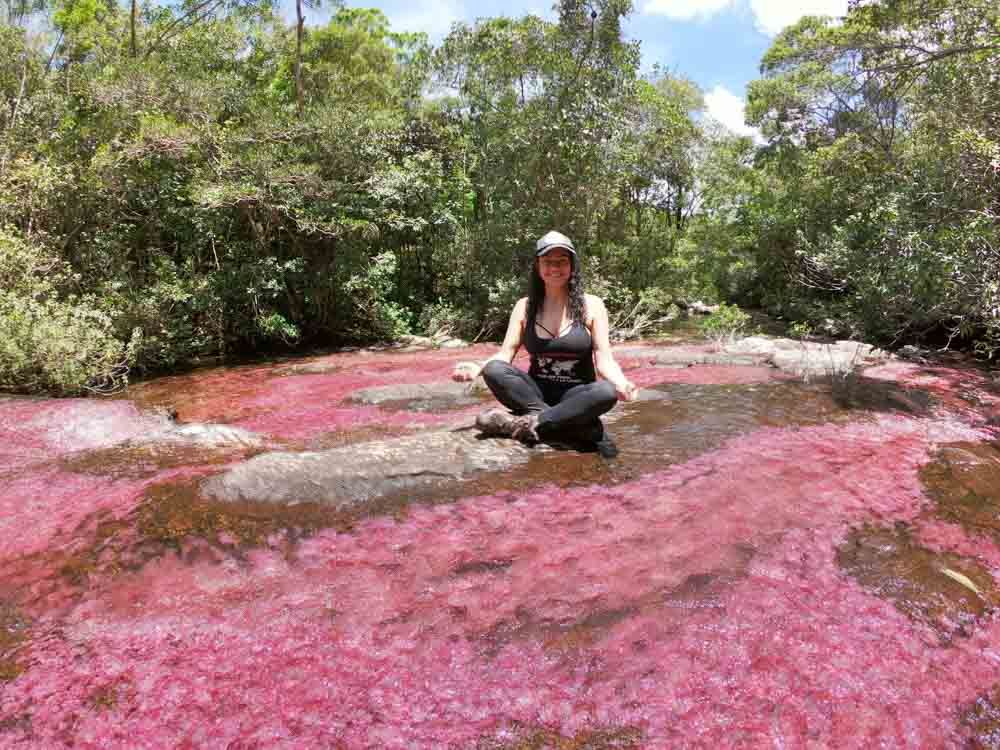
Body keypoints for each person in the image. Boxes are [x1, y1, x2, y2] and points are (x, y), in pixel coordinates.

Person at [452, 230, 639, 457]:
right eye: (547, 262)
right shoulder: (524, 306)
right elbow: (505, 354)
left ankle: (526, 424)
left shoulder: (593, 305)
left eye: (561, 261)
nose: (554, 268)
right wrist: (478, 367)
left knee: (606, 391)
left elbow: (604, 360)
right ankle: (567, 422)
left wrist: (621, 382)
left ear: (572, 266)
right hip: (535, 395)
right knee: (494, 370)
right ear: (538, 266)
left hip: (577, 395)